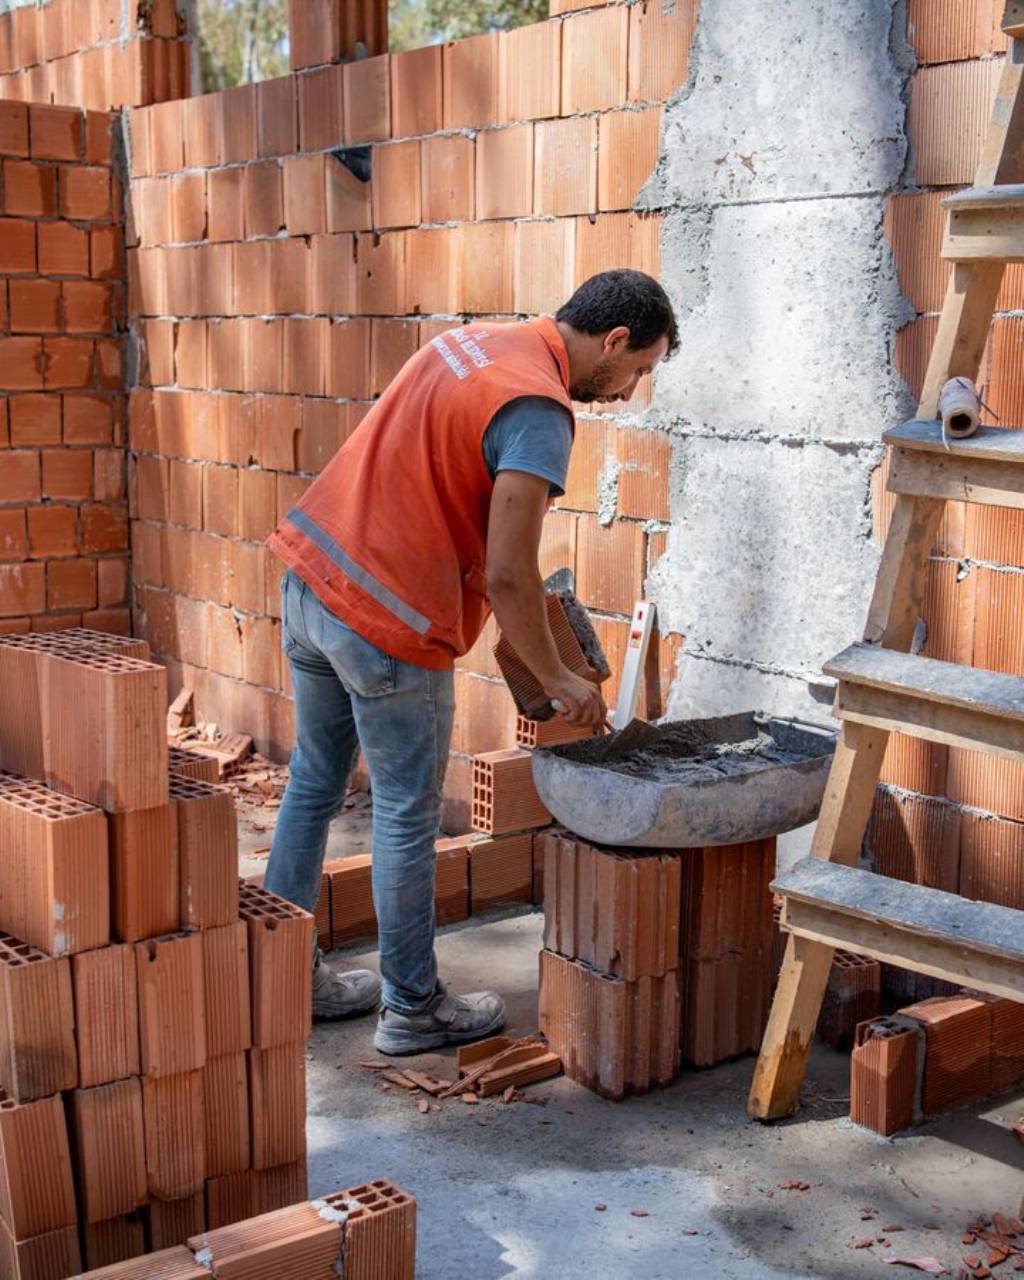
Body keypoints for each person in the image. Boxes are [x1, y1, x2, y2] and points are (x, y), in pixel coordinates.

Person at [264, 269, 679, 1055]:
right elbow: (510, 572)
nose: (628, 393)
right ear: (615, 342)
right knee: (404, 814)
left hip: (312, 576)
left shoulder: (477, 342)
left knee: (314, 784)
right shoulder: (539, 410)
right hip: (388, 620)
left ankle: (283, 982)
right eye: (640, 372)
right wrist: (557, 678)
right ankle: (412, 1009)